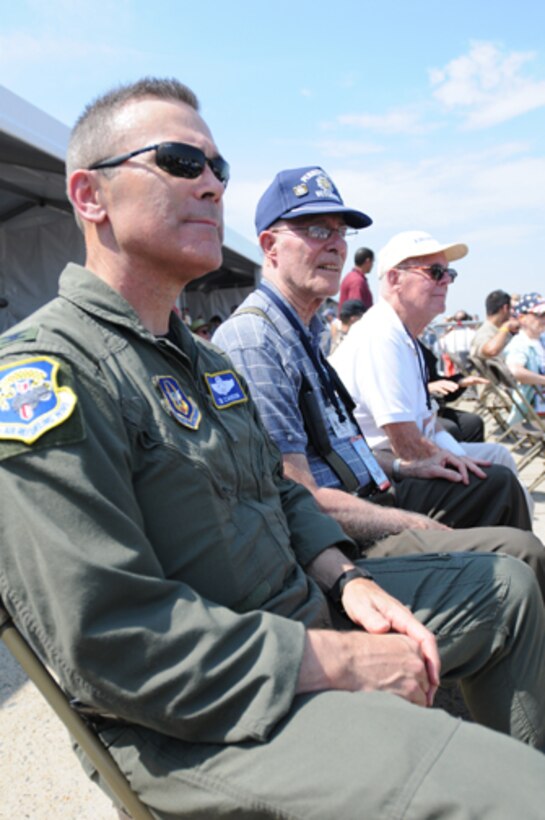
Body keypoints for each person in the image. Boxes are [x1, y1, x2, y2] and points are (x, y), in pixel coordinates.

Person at [2, 80, 545, 820]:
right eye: (177, 161)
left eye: (218, 169)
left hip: (299, 613)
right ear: (89, 197)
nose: (210, 185)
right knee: (514, 796)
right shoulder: (43, 377)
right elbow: (107, 641)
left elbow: (280, 488)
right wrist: (338, 660)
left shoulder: (201, 360)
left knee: (507, 592)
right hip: (197, 715)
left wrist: (344, 580)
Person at [214, 168, 540, 575]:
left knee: (499, 484)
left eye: (340, 232)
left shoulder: (304, 331)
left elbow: (344, 450)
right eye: (317, 230)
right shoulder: (256, 340)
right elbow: (300, 497)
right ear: (270, 246)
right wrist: (408, 520)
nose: (335, 245)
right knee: (524, 554)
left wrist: (406, 468)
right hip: (340, 542)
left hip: (372, 494)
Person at [332, 230, 534, 518]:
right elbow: (407, 445)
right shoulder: (380, 336)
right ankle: (517, 553)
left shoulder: (405, 336)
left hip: (409, 460)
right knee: (499, 482)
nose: (446, 281)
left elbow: (430, 420)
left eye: (449, 273)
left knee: (498, 457)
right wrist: (459, 461)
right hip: (383, 478)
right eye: (435, 272)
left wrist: (459, 456)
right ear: (394, 279)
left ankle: (524, 551)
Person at [418, 339, 487, 443]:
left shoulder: (418, 346)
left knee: (472, 423)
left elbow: (437, 384)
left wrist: (458, 383)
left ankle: (472, 458)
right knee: (449, 429)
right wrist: (426, 388)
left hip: (431, 408)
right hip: (407, 415)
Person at [504, 292, 545, 422]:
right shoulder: (520, 344)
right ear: (522, 318)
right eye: (541, 315)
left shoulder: (540, 340)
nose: (544, 319)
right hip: (536, 405)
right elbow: (516, 372)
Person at [470, 289, 520, 362]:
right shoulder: (485, 332)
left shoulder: (495, 330)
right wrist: (506, 326)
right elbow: (491, 350)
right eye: (511, 309)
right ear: (505, 308)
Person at [339, 246, 374, 310]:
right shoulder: (357, 281)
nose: (372, 265)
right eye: (372, 262)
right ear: (368, 261)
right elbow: (355, 311)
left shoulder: (351, 277)